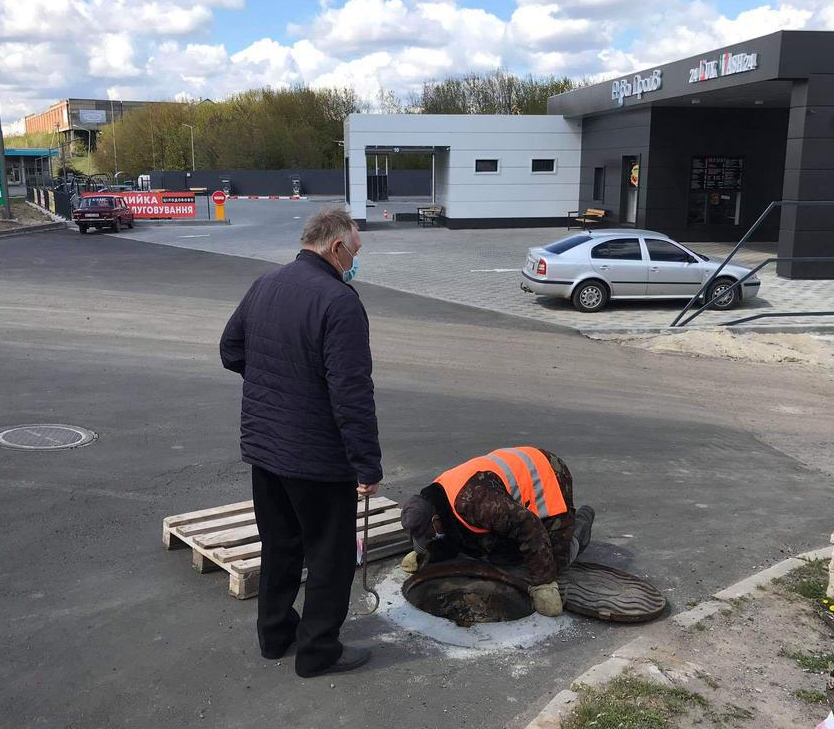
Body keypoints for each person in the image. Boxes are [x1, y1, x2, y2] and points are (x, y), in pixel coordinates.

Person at [219, 207, 382, 678]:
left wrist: (277, 385)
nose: (355, 260)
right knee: (330, 558)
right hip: (316, 460)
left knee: (280, 546)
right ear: (336, 248)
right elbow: (351, 394)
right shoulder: (340, 302)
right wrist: (367, 465)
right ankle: (317, 651)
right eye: (355, 251)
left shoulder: (265, 284)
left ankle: (274, 636)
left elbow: (231, 350)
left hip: (265, 451)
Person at [399, 447, 595, 617]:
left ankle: (580, 526)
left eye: (430, 535)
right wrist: (429, 555)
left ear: (435, 520)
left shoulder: (478, 503)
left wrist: (544, 583)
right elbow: (453, 534)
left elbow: (528, 525)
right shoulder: (436, 499)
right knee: (501, 556)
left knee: (554, 561)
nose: (431, 538)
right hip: (502, 495)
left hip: (547, 474)